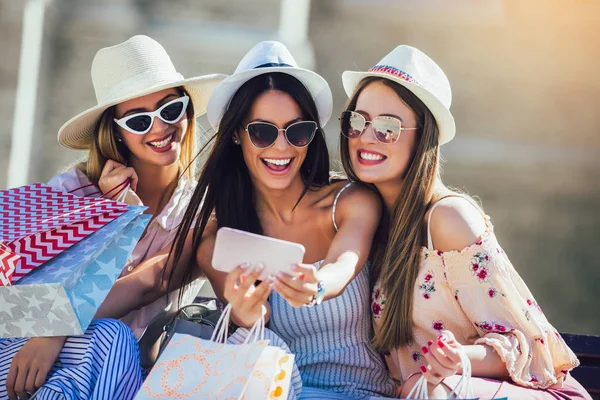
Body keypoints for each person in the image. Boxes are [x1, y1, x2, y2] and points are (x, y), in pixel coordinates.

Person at [338, 44, 591, 399]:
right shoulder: (358, 213)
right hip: (420, 393)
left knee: (426, 389)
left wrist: (457, 359)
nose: (366, 136)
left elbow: (531, 345)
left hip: (515, 391)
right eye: (357, 121)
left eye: (387, 127)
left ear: (423, 137)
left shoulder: (448, 219)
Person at [166, 41, 397, 400]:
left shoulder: (351, 202)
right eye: (262, 131)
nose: (282, 147)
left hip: (361, 393)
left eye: (297, 131)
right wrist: (244, 315)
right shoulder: (218, 240)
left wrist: (317, 284)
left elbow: (343, 263)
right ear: (236, 134)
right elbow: (249, 332)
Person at [0, 35, 225, 400]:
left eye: (170, 110)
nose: (159, 128)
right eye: (138, 120)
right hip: (26, 354)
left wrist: (57, 328)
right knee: (109, 342)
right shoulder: (74, 190)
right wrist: (106, 214)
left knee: (113, 342)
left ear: (186, 111)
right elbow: (16, 297)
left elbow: (153, 281)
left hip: (116, 368)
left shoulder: (204, 212)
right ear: (116, 131)